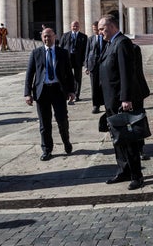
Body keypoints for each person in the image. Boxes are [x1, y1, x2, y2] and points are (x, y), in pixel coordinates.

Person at [98, 14, 147, 190]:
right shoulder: (110, 44)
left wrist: (126, 98)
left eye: (102, 29)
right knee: (117, 138)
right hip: (111, 100)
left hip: (120, 100)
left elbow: (127, 73)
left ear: (111, 27)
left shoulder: (122, 43)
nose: (100, 32)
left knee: (128, 139)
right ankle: (123, 170)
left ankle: (136, 175)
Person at [24, 27, 76, 161]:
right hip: (42, 92)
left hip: (58, 91)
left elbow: (69, 74)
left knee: (62, 120)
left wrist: (71, 90)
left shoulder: (63, 53)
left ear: (55, 36)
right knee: (44, 124)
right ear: (42, 38)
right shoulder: (36, 53)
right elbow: (29, 75)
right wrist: (27, 93)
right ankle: (47, 149)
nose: (47, 39)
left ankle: (66, 141)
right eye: (44, 36)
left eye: (49, 36)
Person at [60, 21, 88, 104]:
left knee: (78, 78)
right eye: (73, 26)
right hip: (67, 59)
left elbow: (85, 50)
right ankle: (67, 93)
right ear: (70, 27)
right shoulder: (65, 35)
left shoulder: (83, 37)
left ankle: (76, 95)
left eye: (76, 26)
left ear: (79, 27)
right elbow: (61, 47)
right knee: (66, 77)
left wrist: (84, 61)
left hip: (78, 60)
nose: (75, 27)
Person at [85, 21, 104, 114]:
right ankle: (96, 105)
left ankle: (105, 103)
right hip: (93, 65)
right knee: (94, 86)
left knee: (104, 85)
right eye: (93, 29)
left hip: (104, 64)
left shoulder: (105, 38)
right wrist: (86, 66)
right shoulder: (90, 39)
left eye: (96, 28)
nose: (95, 30)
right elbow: (87, 52)